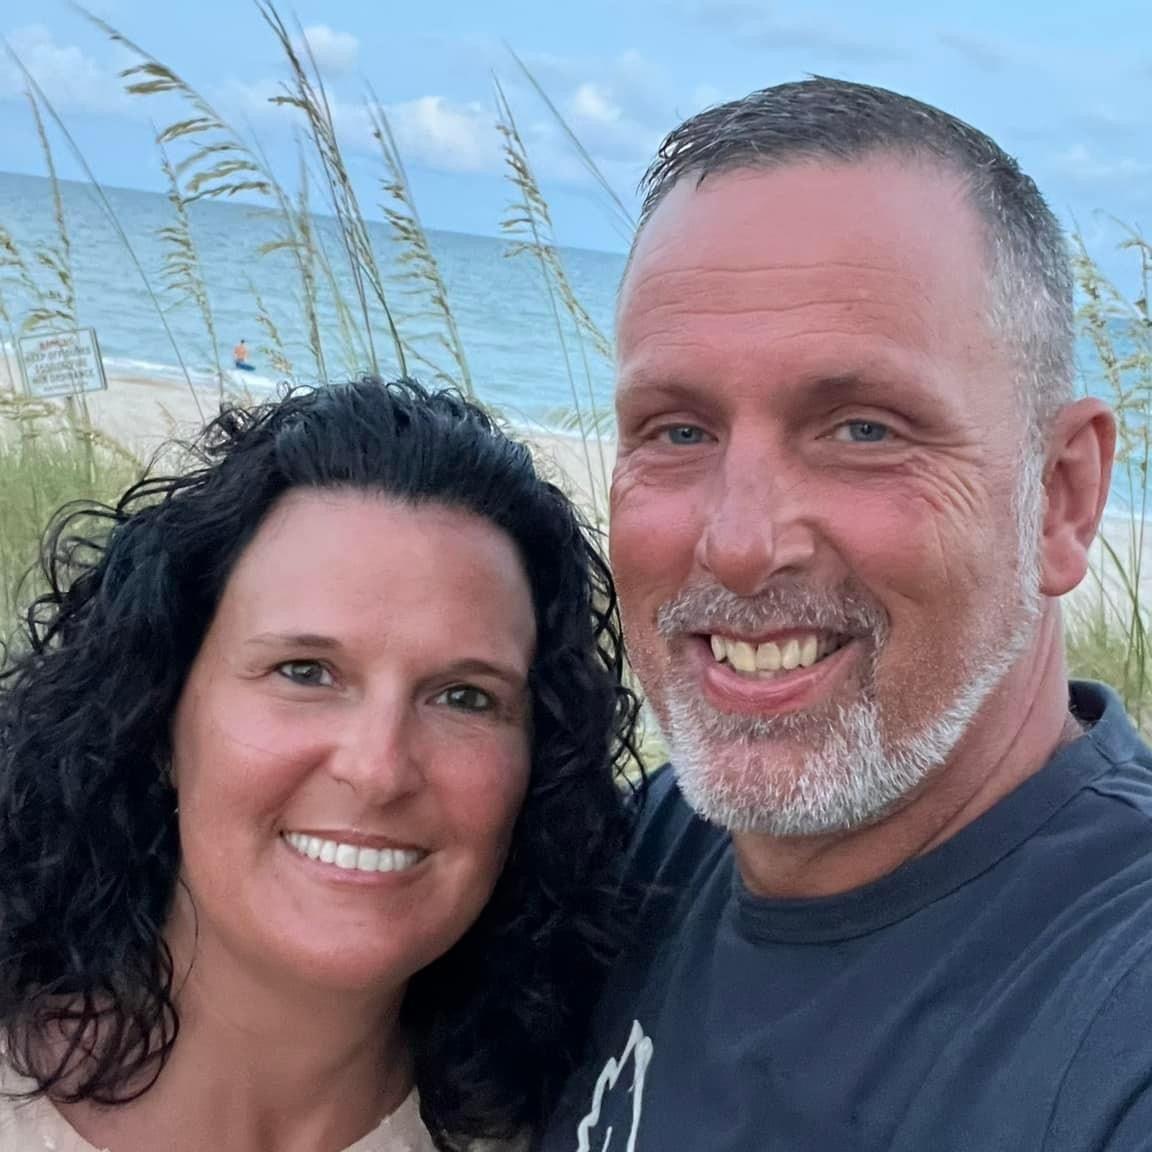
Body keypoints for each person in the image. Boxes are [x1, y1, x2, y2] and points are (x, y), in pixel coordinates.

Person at [539, 78, 1152, 1151]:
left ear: (1060, 498)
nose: (739, 542)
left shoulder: (1114, 1009)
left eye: (864, 430)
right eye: (678, 431)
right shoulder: (644, 856)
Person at [0, 377, 640, 1151]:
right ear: (160, 715)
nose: (378, 769)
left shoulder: (583, 1127)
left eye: (465, 697)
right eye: (305, 672)